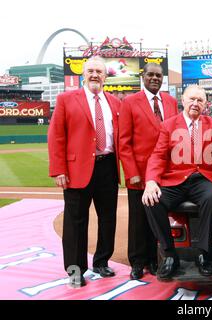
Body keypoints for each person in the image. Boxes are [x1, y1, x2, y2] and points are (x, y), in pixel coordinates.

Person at [142, 84, 212, 280]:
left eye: (200, 100)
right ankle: (169, 255)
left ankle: (203, 254)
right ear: (183, 101)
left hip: (203, 177)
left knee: (211, 197)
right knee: (152, 201)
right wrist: (151, 181)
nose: (195, 103)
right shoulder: (168, 125)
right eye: (192, 99)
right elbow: (158, 156)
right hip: (175, 178)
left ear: (206, 104)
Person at [48, 56, 121, 287]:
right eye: (90, 70)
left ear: (105, 76)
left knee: (108, 218)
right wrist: (59, 169)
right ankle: (75, 270)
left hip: (108, 166)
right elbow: (56, 136)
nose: (94, 75)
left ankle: (102, 261)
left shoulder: (115, 102)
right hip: (76, 169)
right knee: (75, 221)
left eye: (99, 71)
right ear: (83, 73)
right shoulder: (66, 99)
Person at [119, 63, 178, 280]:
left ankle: (154, 259)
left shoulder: (171, 101)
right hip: (141, 172)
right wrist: (132, 171)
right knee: (138, 218)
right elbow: (123, 142)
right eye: (150, 75)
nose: (154, 78)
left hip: (166, 171)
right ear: (143, 76)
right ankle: (137, 261)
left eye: (158, 75)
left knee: (158, 216)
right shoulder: (130, 102)